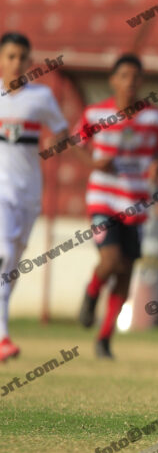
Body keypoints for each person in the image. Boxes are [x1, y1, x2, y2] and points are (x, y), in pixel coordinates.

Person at [77, 53, 158, 359]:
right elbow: (76, 144)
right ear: (113, 80)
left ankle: (104, 339)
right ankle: (91, 292)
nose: (130, 82)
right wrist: (94, 163)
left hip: (136, 202)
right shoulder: (95, 113)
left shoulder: (153, 117)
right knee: (111, 260)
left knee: (126, 271)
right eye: (124, 76)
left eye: (136, 77)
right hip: (103, 198)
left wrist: (156, 166)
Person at [0, 32, 71, 361]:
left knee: (13, 261)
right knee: (3, 254)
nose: (16, 63)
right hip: (1, 189)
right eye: (10, 56)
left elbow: (61, 130)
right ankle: (3, 337)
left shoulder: (40, 97)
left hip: (29, 191)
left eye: (22, 57)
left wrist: (61, 142)